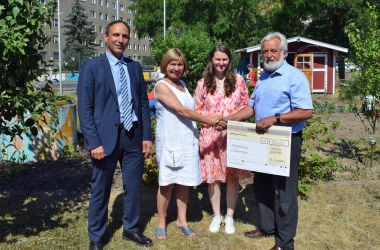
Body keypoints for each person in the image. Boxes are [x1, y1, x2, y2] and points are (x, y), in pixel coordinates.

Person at [221, 32, 313, 250]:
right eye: (265, 51)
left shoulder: (295, 76)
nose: (269, 55)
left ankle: (284, 242)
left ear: (284, 52)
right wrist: (228, 120)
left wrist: (276, 118)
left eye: (274, 50)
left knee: (286, 191)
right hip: (262, 141)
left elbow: (306, 111)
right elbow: (251, 108)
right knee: (261, 184)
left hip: (286, 139)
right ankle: (266, 227)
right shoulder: (264, 76)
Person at [77, 20, 153, 250]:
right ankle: (96, 237)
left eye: (125, 36)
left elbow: (142, 104)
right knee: (101, 189)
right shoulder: (92, 66)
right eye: (116, 35)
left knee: (133, 187)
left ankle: (131, 229)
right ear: (106, 37)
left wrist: (147, 136)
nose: (121, 40)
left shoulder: (135, 67)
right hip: (105, 139)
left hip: (133, 136)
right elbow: (85, 108)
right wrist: (93, 142)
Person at [154, 48, 224, 240]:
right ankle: (161, 222)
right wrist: (211, 122)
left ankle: (181, 220)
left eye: (180, 64)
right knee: (167, 183)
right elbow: (183, 111)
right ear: (165, 65)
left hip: (187, 140)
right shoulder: (161, 86)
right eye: (172, 64)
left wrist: (212, 117)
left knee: (184, 181)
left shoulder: (182, 84)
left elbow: (192, 111)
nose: (176, 68)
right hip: (171, 141)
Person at [193, 44, 251, 235]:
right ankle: (217, 215)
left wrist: (228, 121)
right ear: (211, 59)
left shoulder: (239, 81)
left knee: (232, 177)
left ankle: (230, 216)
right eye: (217, 59)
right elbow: (197, 109)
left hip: (233, 135)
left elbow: (246, 107)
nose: (221, 63)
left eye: (224, 59)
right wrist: (213, 121)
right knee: (213, 179)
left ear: (229, 60)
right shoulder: (203, 83)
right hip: (210, 136)